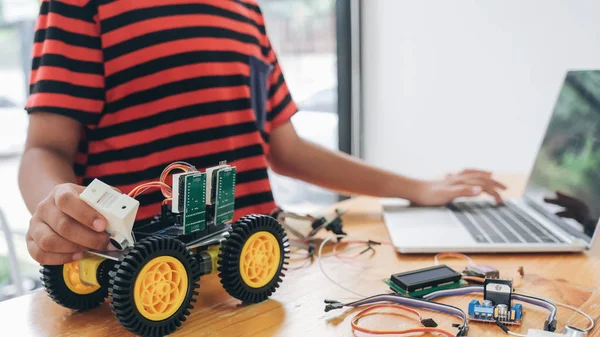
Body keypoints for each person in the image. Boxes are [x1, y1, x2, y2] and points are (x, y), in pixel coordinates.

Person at [19, 0, 505, 265]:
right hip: (142, 262)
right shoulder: (80, 4)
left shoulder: (245, 10)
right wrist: (58, 205)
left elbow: (283, 146)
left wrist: (416, 188)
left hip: (259, 261)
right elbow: (45, 148)